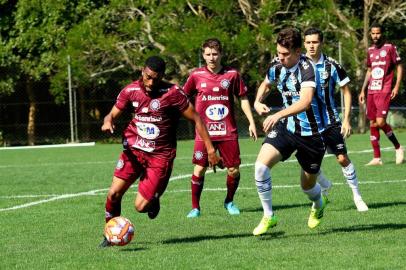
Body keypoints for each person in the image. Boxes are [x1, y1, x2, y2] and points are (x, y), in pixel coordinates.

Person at [99, 56, 222, 247]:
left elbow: (197, 119)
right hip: (134, 151)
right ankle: (109, 235)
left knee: (140, 206)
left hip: (160, 156)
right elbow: (112, 113)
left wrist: (210, 149)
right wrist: (108, 121)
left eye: (155, 79)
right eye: (147, 77)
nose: (150, 82)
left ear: (162, 76)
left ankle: (154, 199)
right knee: (113, 194)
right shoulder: (130, 90)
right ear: (142, 71)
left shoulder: (172, 93)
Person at [252, 27, 327, 236]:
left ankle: (319, 203)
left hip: (311, 134)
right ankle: (268, 215)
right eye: (278, 53)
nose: (280, 58)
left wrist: (277, 115)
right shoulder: (277, 65)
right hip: (287, 129)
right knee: (260, 167)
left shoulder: (307, 68)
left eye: (285, 54)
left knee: (307, 187)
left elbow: (305, 101)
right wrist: (258, 102)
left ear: (297, 51)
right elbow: (266, 84)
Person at [183, 38, 258, 218]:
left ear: (221, 54)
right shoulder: (195, 76)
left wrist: (251, 121)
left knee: (234, 170)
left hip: (227, 131)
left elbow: (243, 98)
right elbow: (183, 98)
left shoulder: (232, 75)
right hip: (204, 132)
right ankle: (195, 208)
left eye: (215, 54)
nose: (211, 58)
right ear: (203, 55)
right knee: (199, 169)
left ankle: (229, 201)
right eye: (208, 54)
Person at [304, 27, 368, 212]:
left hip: (330, 120)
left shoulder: (331, 65)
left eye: (314, 42)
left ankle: (357, 196)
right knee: (307, 161)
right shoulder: (299, 64)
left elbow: (346, 91)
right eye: (308, 42)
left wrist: (346, 119)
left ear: (321, 43)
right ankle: (324, 184)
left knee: (341, 158)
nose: (311, 46)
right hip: (308, 122)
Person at [359, 22, 404, 166]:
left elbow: (399, 66)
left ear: (382, 33)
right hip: (372, 90)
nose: (375, 36)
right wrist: (363, 89)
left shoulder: (390, 48)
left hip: (385, 89)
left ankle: (398, 147)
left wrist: (396, 86)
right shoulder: (370, 50)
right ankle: (377, 158)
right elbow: (369, 70)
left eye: (377, 33)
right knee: (372, 122)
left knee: (380, 122)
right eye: (373, 33)